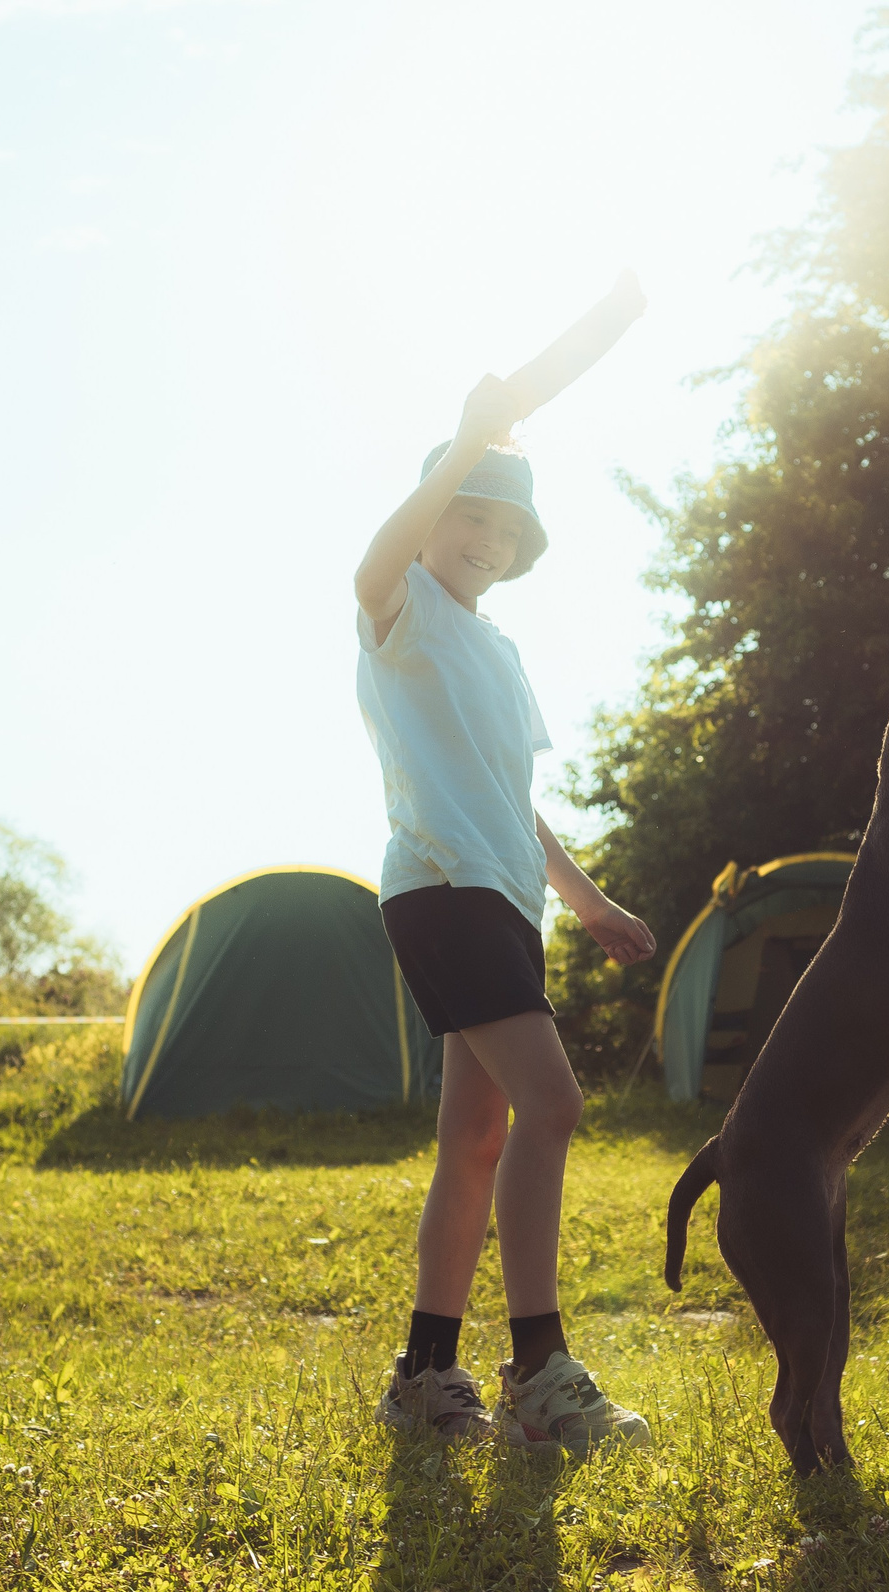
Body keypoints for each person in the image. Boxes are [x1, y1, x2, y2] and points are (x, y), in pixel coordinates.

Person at [353, 273, 660, 1454]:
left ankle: (427, 1377)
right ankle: (540, 1370)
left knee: (477, 1136)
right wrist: (469, 443)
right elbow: (373, 558)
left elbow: (515, 801)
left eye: (501, 526)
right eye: (466, 515)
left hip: (500, 895)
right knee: (558, 1105)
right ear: (431, 520)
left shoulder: (497, 646)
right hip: (437, 889)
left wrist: (584, 900)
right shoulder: (402, 613)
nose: (483, 537)